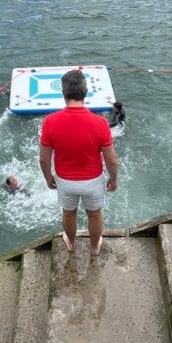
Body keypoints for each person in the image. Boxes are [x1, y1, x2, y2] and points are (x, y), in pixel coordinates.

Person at [39, 69, 119, 256]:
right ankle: (94, 247)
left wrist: (48, 177)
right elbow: (111, 160)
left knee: (69, 213)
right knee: (95, 214)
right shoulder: (100, 123)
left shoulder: (50, 121)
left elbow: (43, 159)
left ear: (63, 93)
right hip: (92, 181)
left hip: (65, 181)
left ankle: (72, 244)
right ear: (86, 91)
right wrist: (113, 180)